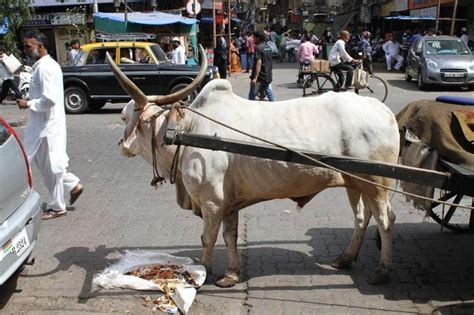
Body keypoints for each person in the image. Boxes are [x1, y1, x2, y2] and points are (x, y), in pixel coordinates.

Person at [17, 31, 83, 220]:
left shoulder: (45, 68)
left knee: (50, 165)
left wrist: (28, 103)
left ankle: (57, 205)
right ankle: (72, 185)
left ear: (41, 46)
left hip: (46, 127)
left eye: (29, 46)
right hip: (44, 125)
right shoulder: (46, 66)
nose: (26, 50)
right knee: (46, 163)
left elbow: (50, 99)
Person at [248, 31, 275, 102]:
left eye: (254, 38)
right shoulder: (268, 47)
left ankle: (251, 110)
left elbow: (259, 62)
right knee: (268, 92)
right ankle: (274, 105)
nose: (253, 40)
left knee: (252, 95)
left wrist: (255, 78)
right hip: (267, 75)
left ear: (258, 38)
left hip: (260, 77)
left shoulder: (258, 48)